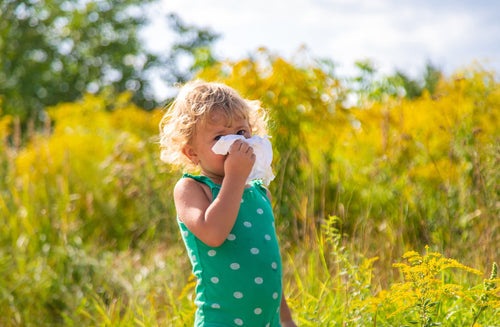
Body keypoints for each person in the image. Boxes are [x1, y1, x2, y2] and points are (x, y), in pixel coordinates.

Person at [159, 80, 297, 327]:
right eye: (220, 136)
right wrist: (234, 176)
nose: (236, 143)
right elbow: (214, 234)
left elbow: (266, 266)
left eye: (242, 132)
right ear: (192, 153)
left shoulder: (259, 192)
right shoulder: (191, 188)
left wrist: (286, 320)